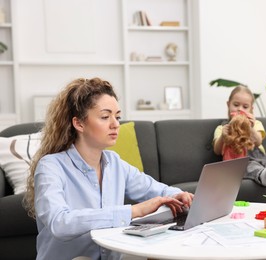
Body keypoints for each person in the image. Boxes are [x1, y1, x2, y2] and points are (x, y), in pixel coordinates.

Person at [23, 77, 193, 260]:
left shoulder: (114, 163)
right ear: (79, 123)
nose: (115, 124)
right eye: (105, 117)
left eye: (117, 117)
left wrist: (178, 195)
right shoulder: (51, 166)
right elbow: (60, 223)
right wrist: (133, 211)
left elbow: (155, 189)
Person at [213, 85, 266, 186]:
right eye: (236, 105)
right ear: (228, 104)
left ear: (251, 109)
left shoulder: (256, 124)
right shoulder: (222, 127)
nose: (240, 109)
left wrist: (250, 128)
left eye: (245, 107)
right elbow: (217, 150)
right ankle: (264, 176)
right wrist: (223, 136)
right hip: (239, 164)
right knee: (251, 167)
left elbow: (258, 142)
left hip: (261, 159)